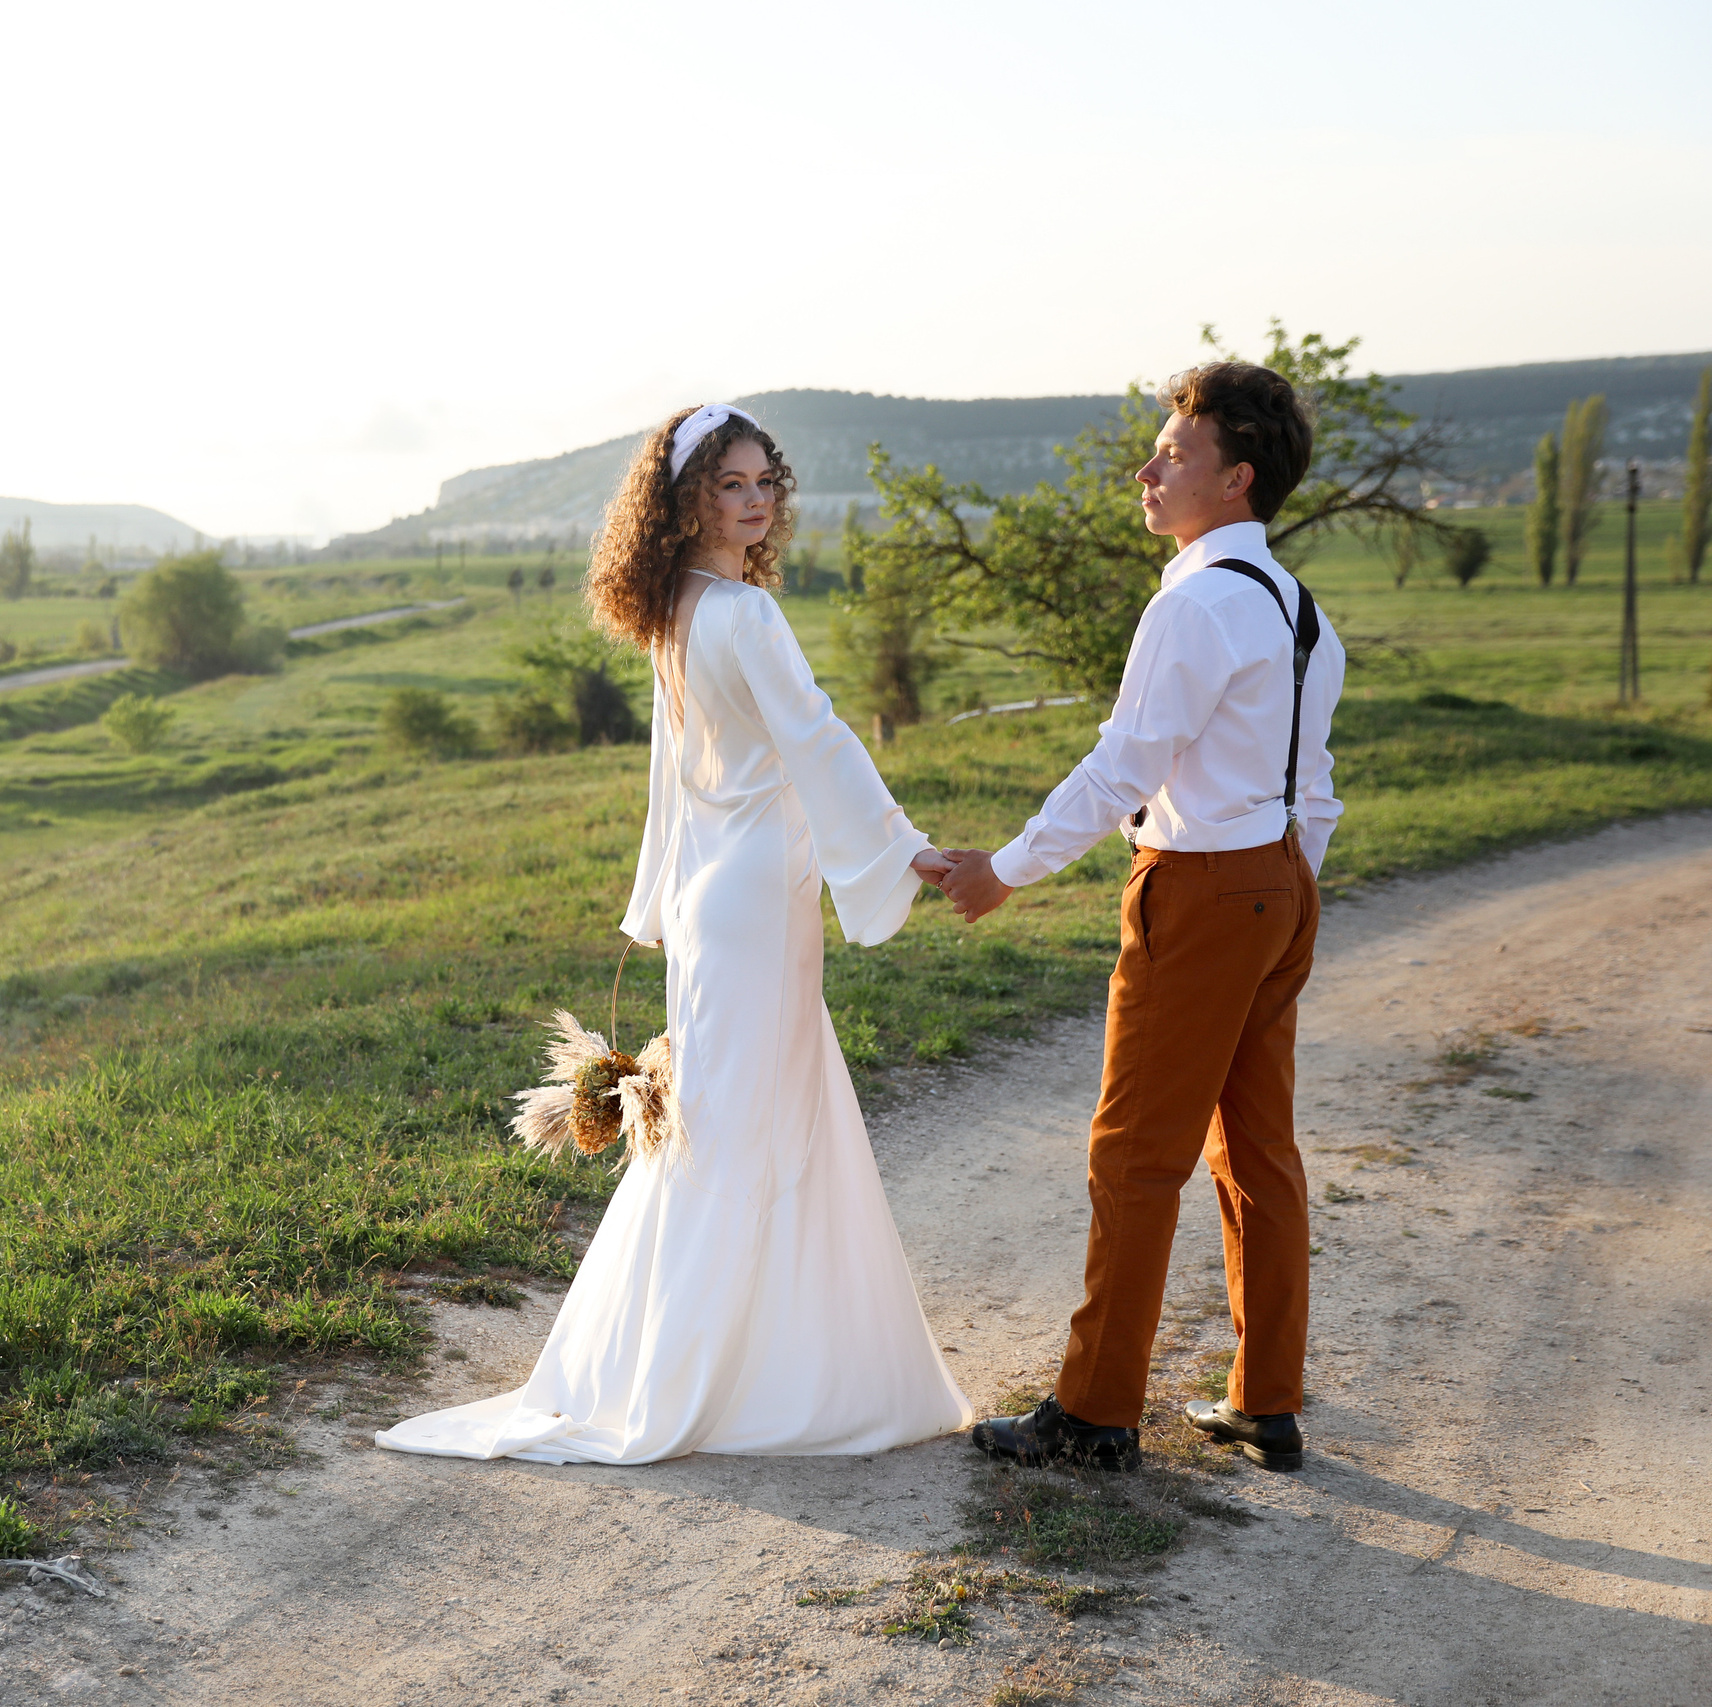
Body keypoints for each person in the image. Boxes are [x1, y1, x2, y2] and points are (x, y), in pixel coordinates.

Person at [377, 404, 971, 1465]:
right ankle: (705, 1379)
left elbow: (678, 777)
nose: (754, 502)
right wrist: (903, 847)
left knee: (735, 1120)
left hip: (720, 894)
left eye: (763, 483)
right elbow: (819, 738)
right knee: (735, 1132)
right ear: (684, 499)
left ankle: (748, 1358)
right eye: (729, 484)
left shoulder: (678, 608)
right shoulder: (740, 616)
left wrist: (659, 898)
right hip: (750, 893)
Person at [937, 361, 1346, 1473]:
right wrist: (1279, 884)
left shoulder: (1196, 602)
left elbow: (1124, 766)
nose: (1146, 469)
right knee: (1257, 1152)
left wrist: (1007, 869)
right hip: (1276, 886)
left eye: (1173, 454)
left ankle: (1096, 1412)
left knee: (1133, 1154)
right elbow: (1313, 790)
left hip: (1206, 888)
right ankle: (1265, 1402)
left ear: (1236, 479)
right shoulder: (1301, 609)